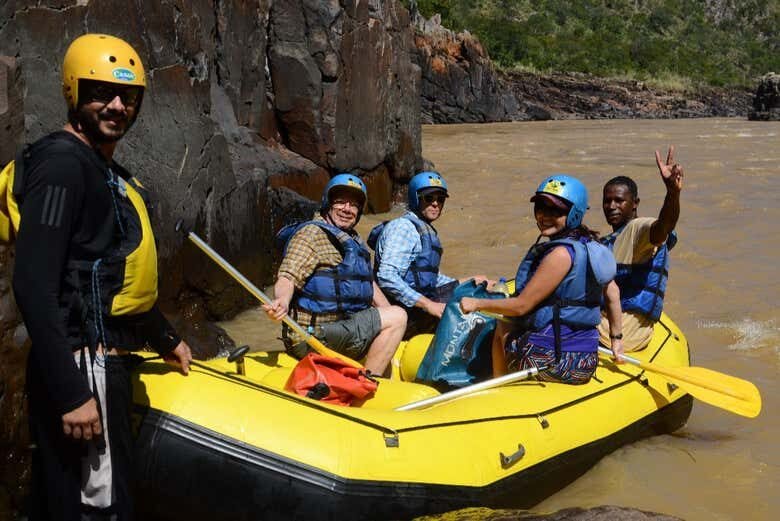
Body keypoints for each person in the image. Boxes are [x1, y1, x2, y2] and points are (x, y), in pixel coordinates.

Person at [8, 34, 192, 520]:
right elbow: (32, 284)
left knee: (89, 499)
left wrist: (165, 337)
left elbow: (107, 272)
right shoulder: (62, 166)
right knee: (98, 508)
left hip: (99, 361)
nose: (115, 105)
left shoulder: (104, 168)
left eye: (127, 97)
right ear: (74, 92)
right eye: (100, 93)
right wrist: (72, 393)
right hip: (79, 363)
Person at [460, 175, 623, 384]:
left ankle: (499, 389)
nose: (544, 216)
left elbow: (521, 306)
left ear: (574, 214)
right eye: (540, 208)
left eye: (554, 211)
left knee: (502, 327)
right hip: (586, 360)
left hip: (553, 361)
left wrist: (477, 303)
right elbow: (613, 294)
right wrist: (616, 340)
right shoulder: (592, 246)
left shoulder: (560, 254)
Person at [263, 174, 406, 376]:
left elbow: (367, 284)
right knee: (398, 316)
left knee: (393, 318)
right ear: (328, 204)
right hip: (312, 338)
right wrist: (282, 301)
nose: (347, 209)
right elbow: (288, 276)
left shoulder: (353, 239)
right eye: (340, 202)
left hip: (340, 330)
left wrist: (387, 314)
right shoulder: (311, 234)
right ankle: (366, 384)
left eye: (354, 205)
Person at [369, 171, 486, 338]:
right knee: (474, 300)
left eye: (440, 199)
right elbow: (387, 276)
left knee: (482, 282)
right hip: (405, 311)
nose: (435, 204)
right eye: (429, 198)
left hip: (418, 303)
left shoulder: (421, 229)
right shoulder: (403, 228)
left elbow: (425, 277)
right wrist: (429, 305)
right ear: (416, 198)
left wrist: (462, 283)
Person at [598, 146, 683, 352]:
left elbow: (663, 227)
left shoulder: (639, 230)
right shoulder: (609, 240)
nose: (611, 206)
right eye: (607, 201)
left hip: (627, 328)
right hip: (609, 316)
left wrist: (672, 192)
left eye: (619, 200)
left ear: (634, 204)